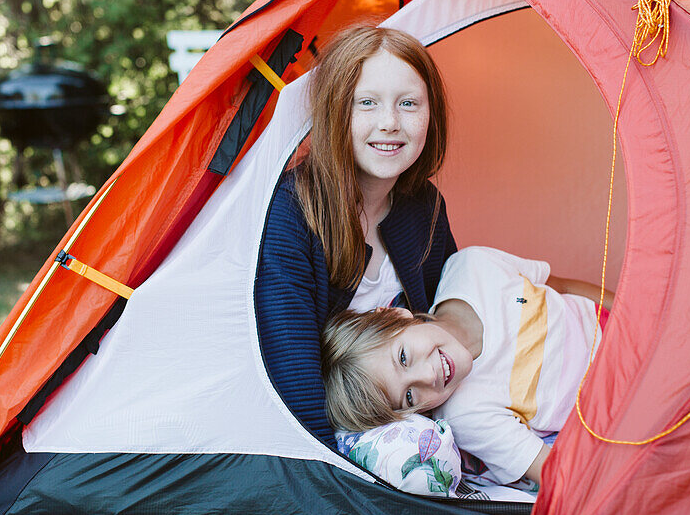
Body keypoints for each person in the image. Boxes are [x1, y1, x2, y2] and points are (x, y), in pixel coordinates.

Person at [254, 25, 457, 446]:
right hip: (323, 443)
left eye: (408, 104)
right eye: (366, 103)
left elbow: (447, 320)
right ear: (335, 113)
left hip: (417, 417)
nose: (390, 123)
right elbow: (294, 384)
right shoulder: (295, 213)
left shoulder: (424, 208)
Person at [321, 246, 615, 486]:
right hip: (621, 399)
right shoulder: (466, 415)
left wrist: (638, 310)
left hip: (624, 326)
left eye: (403, 358)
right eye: (409, 397)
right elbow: (557, 471)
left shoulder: (471, 266)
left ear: (396, 316)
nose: (428, 376)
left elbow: (562, 286)